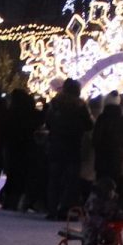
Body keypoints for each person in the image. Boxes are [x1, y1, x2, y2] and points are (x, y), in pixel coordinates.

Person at [44, 79, 93, 220]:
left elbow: (48, 122)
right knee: (71, 182)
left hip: (56, 146)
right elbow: (89, 125)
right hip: (73, 147)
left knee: (54, 180)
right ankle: (65, 209)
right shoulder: (80, 106)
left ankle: (52, 209)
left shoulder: (55, 104)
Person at [94, 92, 123, 187]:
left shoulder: (102, 119)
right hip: (117, 157)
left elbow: (95, 139)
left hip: (101, 159)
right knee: (113, 185)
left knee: (101, 184)